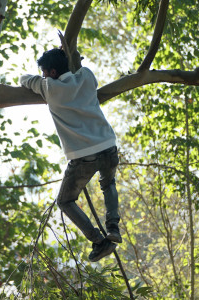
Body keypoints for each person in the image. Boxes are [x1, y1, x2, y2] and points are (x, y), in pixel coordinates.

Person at [20, 48, 121, 262]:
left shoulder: (49, 87)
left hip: (84, 156)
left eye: (45, 72)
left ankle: (98, 241)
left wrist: (37, 78)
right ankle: (113, 227)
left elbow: (25, 80)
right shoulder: (86, 76)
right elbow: (81, 71)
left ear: (53, 72)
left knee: (65, 201)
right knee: (108, 183)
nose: (44, 75)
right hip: (108, 145)